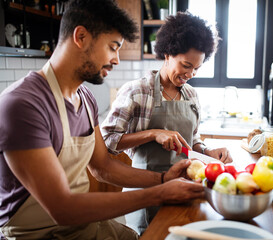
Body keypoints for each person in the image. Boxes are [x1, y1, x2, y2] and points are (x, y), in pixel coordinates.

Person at [0, 1, 205, 239]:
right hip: (37, 235)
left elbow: (103, 168)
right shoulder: (22, 105)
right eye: (113, 47)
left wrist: (163, 179)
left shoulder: (85, 99)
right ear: (81, 37)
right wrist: (160, 193)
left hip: (84, 226)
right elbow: (62, 209)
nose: (117, 59)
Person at [101, 11, 233, 234]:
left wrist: (207, 152)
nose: (190, 73)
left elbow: (192, 140)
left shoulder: (191, 96)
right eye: (186, 65)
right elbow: (107, 141)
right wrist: (153, 133)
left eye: (197, 68)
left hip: (184, 191)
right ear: (168, 53)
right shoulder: (137, 91)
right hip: (146, 192)